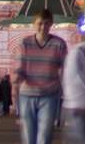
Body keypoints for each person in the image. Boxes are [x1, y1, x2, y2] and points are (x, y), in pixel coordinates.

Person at [14, 9, 67, 144]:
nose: (43, 27)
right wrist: (17, 78)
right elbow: (20, 67)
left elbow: (65, 69)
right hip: (27, 94)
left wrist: (65, 92)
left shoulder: (59, 44)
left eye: (47, 23)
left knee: (44, 136)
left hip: (49, 94)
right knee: (29, 136)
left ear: (51, 25)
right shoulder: (25, 43)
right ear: (34, 24)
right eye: (40, 23)